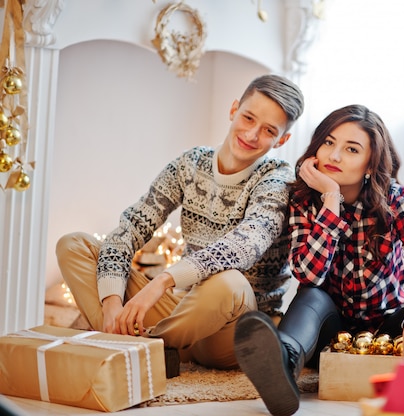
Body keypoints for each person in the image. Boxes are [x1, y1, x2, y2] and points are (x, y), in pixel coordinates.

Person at [56, 74, 305, 375]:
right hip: (178, 313)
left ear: (283, 140)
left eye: (268, 131)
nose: (252, 135)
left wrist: (162, 281)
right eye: (248, 117)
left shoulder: (277, 179)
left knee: (230, 282)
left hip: (231, 331)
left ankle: (139, 349)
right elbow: (130, 228)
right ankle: (139, 342)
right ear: (233, 110)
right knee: (74, 245)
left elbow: (245, 245)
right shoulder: (191, 164)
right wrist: (111, 304)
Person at [234, 104, 404, 416]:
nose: (334, 156)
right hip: (330, 330)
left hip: (391, 324)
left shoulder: (397, 199)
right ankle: (284, 363)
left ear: (370, 163)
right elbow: (308, 274)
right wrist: (330, 200)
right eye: (329, 143)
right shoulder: (305, 199)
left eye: (351, 149)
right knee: (311, 296)